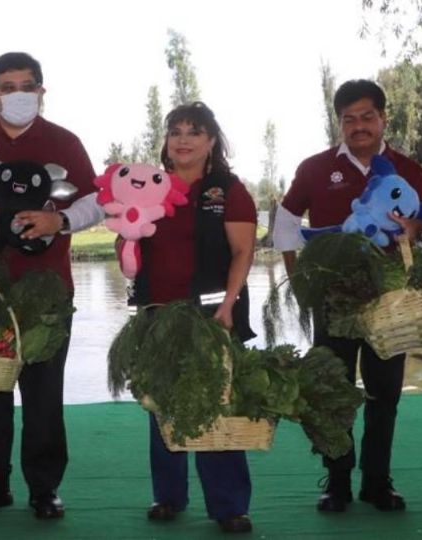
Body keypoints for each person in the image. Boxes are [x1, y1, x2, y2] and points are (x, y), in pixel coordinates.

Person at [0, 51, 103, 519]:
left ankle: (44, 488)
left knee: (43, 395)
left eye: (27, 86)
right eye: (7, 87)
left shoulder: (64, 142)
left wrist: (60, 218)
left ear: (42, 92)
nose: (18, 94)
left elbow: (96, 201)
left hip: (48, 292)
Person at [273, 79, 422, 512]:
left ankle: (377, 482)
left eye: (368, 116)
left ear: (384, 118)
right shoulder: (314, 169)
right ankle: (337, 482)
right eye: (349, 119)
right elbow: (286, 225)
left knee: (384, 394)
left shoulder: (409, 169)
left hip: (392, 302)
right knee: (334, 391)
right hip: (332, 301)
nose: (359, 126)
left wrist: (417, 230)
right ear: (340, 124)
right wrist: (300, 280)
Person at [131, 102, 257, 534]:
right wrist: (124, 246)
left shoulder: (228, 189)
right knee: (160, 404)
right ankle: (168, 496)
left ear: (210, 141)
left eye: (194, 132)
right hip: (157, 314)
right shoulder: (148, 185)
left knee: (219, 405)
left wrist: (228, 306)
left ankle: (230, 506)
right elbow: (130, 249)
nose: (183, 139)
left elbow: (243, 252)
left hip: (212, 316)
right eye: (175, 131)